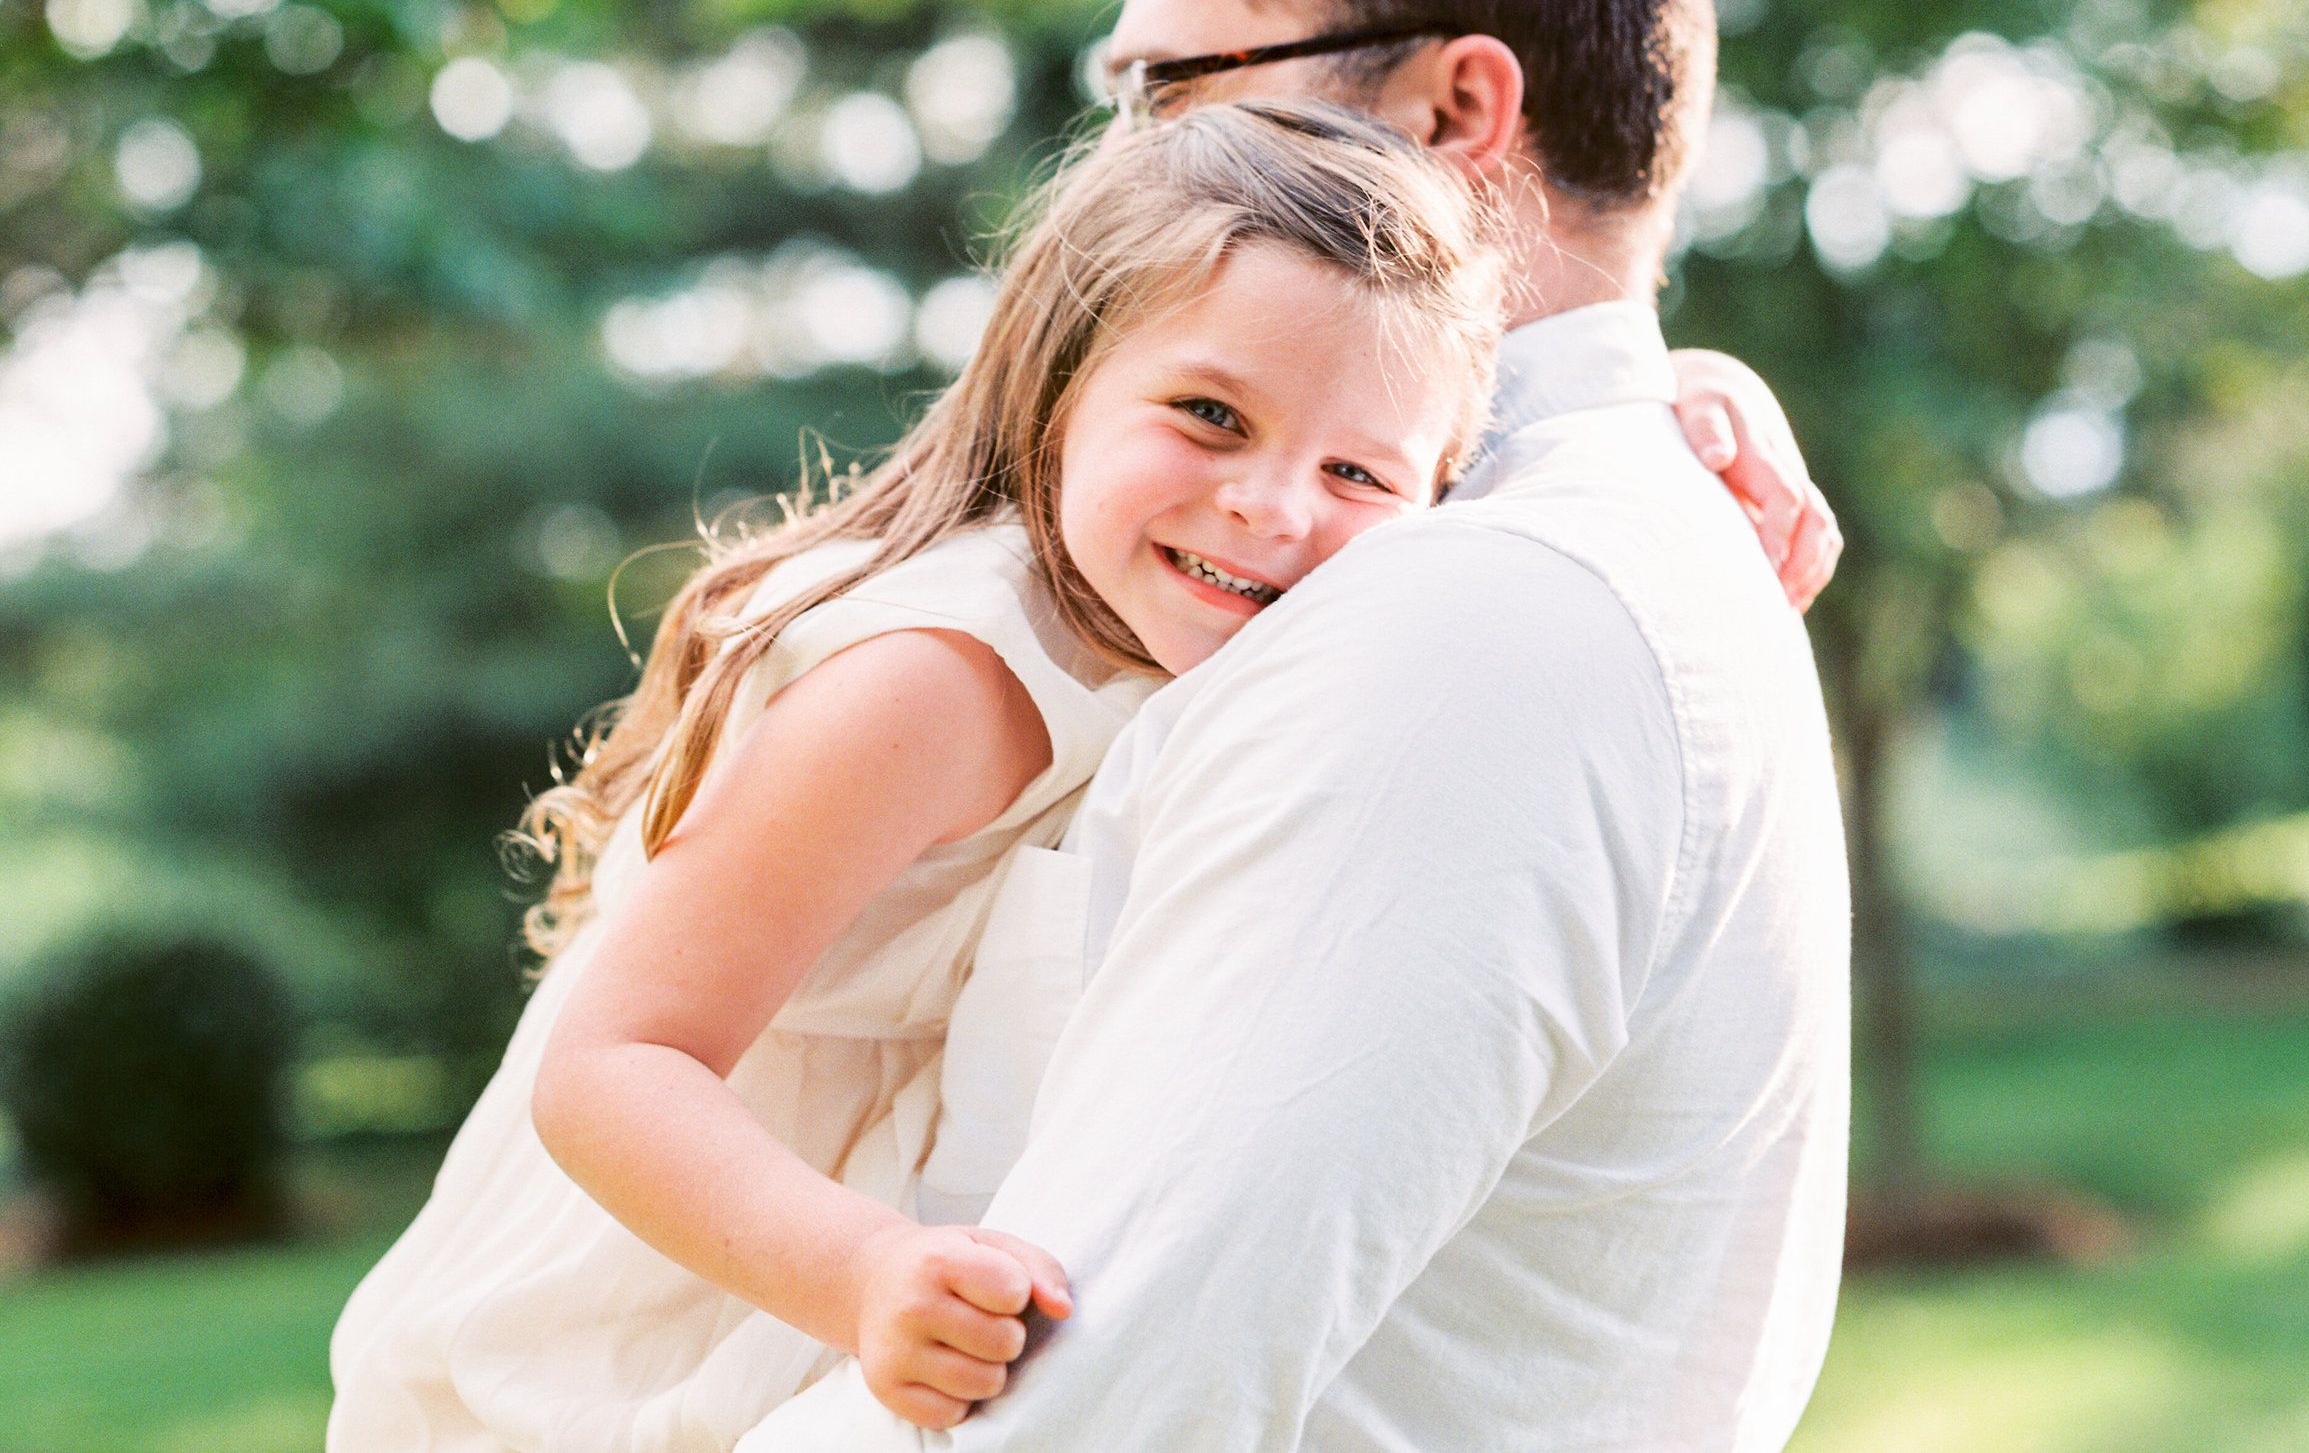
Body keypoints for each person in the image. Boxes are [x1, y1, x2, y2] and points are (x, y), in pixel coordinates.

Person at [740, 0, 1851, 1453]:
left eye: (1172, 85)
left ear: (1455, 115)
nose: (1119, 160)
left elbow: (1076, 1401)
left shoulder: (1477, 623)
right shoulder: (1570, 537)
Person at [326, 100, 1517, 1449]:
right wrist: (862, 1271)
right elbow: (612, 1065)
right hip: (597, 1363)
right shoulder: (936, 685)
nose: (1275, 506)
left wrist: (1699, 400)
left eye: (1358, 471)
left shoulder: (1202, 650)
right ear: (1062, 389)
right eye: (1208, 414)